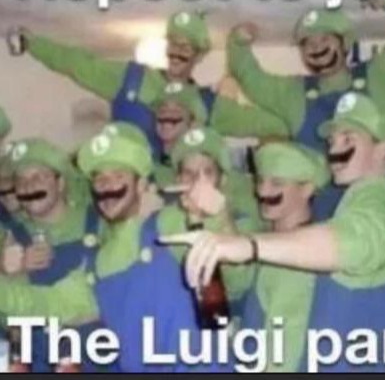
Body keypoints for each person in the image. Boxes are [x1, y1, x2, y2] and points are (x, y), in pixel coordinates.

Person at [163, 93, 385, 372]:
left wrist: (248, 245)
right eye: (332, 141)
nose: (335, 150)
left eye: (348, 139)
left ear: (382, 148)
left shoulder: (380, 193)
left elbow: (355, 241)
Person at [0, 124, 233, 372]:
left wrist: (218, 215)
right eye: (99, 178)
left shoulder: (169, 224)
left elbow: (228, 261)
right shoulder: (100, 262)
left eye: (118, 176)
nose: (107, 187)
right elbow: (44, 303)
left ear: (141, 184)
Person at [215, 0, 385, 151]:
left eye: (325, 39)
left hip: (380, 190)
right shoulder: (293, 94)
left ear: (344, 44)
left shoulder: (378, 76)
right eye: (308, 43)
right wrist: (238, 43)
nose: (316, 47)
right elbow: (252, 80)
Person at [6, 12, 214, 147]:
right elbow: (80, 65)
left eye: (186, 47)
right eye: (173, 44)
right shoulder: (133, 78)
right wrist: (33, 44)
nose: (177, 52)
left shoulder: (207, 103)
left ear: (199, 55)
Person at [0, 138, 100, 372]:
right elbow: (10, 324)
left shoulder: (97, 222)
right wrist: (10, 273)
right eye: (21, 180)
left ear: (61, 183)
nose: (29, 186)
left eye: (39, 176)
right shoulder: (12, 236)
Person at [229, 142, 329, 372]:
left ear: (307, 189)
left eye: (277, 183)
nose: (262, 191)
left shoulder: (296, 260)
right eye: (260, 181)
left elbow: (283, 354)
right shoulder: (270, 243)